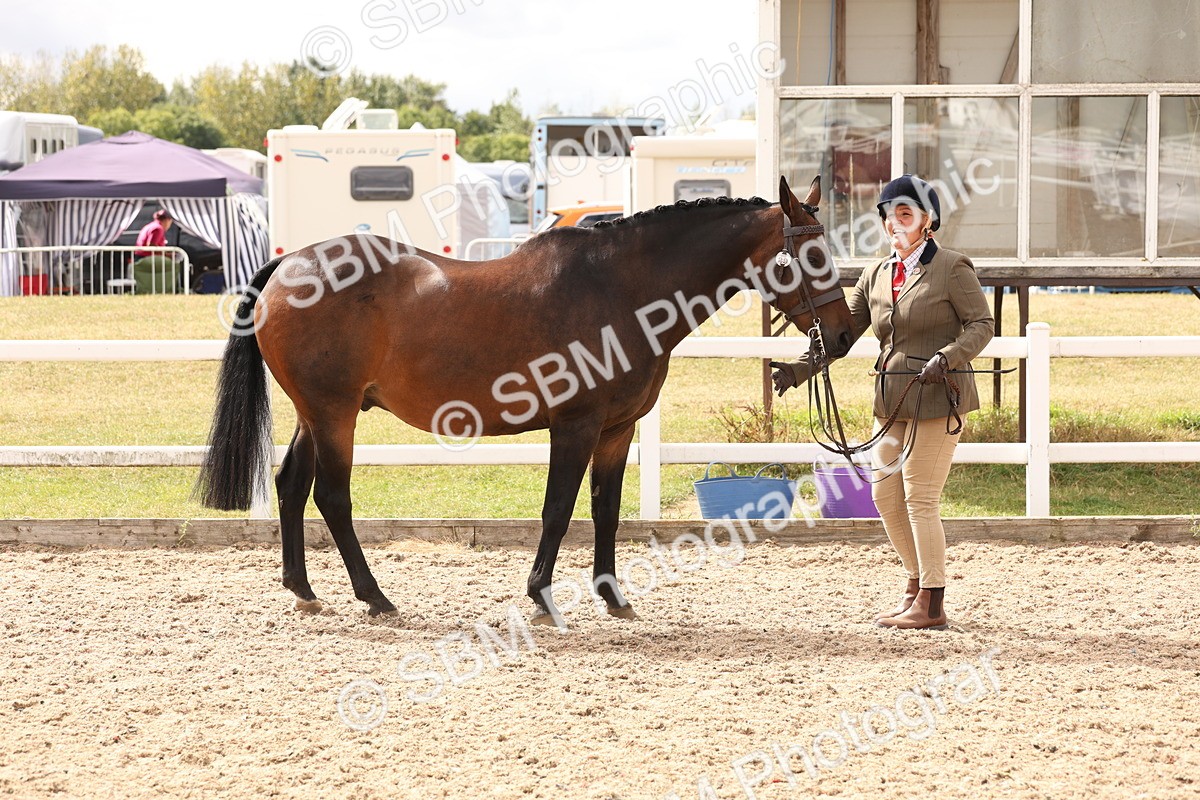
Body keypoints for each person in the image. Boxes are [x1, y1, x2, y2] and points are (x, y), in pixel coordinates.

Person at [771, 175, 994, 631]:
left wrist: (948, 357)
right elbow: (844, 336)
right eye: (889, 215)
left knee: (920, 499)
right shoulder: (875, 275)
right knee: (884, 496)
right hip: (892, 401)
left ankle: (933, 603)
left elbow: (982, 325)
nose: (895, 223)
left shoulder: (952, 268)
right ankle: (916, 586)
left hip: (938, 398)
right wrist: (799, 369)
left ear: (928, 222)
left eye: (905, 215)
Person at [132, 210, 178, 293]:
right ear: (167, 220)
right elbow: (152, 246)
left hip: (141, 258)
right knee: (176, 265)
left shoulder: (150, 226)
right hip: (147, 258)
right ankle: (171, 289)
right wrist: (168, 255)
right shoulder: (158, 228)